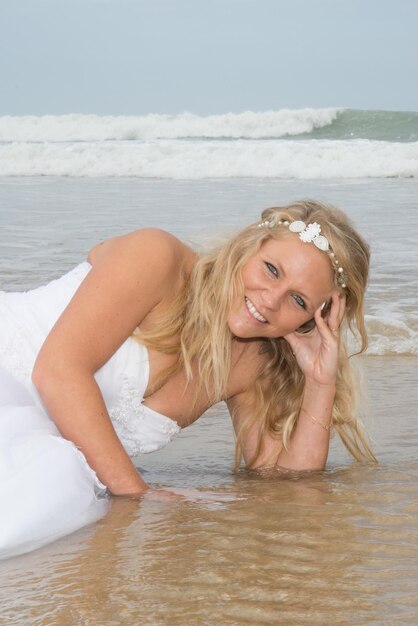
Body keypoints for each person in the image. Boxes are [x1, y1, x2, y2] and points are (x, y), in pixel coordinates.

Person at [0, 199, 375, 559]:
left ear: (314, 319)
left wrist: (320, 382)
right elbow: (57, 372)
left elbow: (288, 481)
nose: (271, 300)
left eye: (299, 301)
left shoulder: (252, 365)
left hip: (42, 457)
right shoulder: (158, 258)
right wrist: (138, 493)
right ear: (248, 246)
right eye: (271, 270)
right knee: (52, 483)